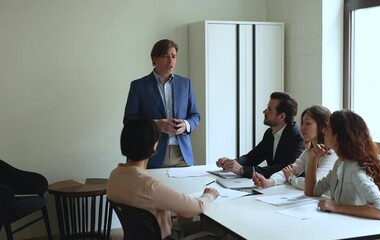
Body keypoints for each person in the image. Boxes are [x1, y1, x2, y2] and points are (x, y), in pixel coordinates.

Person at [107, 117, 219, 239]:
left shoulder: (114, 175)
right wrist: (209, 195)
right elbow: (196, 208)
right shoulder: (149, 186)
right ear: (153, 146)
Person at [304, 110, 380, 220]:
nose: (323, 131)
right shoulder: (339, 163)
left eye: (328, 128)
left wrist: (337, 208)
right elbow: (311, 191)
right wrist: (313, 158)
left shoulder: (354, 168)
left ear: (337, 137)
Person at [123, 39, 200, 168]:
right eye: (165, 56)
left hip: (182, 155)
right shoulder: (138, 86)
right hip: (151, 155)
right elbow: (129, 121)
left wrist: (186, 125)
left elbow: (195, 115)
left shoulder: (186, 84)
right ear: (154, 58)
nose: (171, 61)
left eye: (173, 56)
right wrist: (156, 124)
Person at [216, 92, 304, 179]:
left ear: (282, 116)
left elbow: (281, 169)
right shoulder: (269, 133)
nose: (264, 112)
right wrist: (231, 163)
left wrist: (242, 170)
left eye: (269, 109)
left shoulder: (297, 137)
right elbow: (252, 157)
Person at [252, 105, 337, 190]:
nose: (303, 128)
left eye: (308, 123)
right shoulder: (308, 152)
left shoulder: (331, 154)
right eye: (302, 123)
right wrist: (269, 181)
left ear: (322, 126)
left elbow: (313, 184)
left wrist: (291, 179)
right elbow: (288, 171)